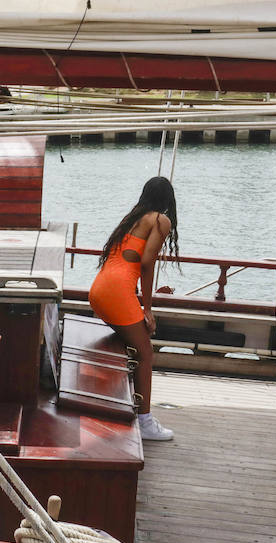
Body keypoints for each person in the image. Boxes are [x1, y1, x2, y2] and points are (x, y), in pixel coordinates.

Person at [88, 175, 179, 441]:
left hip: (99, 290)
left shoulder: (135, 217)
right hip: (116, 292)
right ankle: (145, 421)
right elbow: (147, 263)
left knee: (128, 345)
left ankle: (124, 406)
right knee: (145, 353)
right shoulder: (161, 220)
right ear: (168, 200)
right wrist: (147, 308)